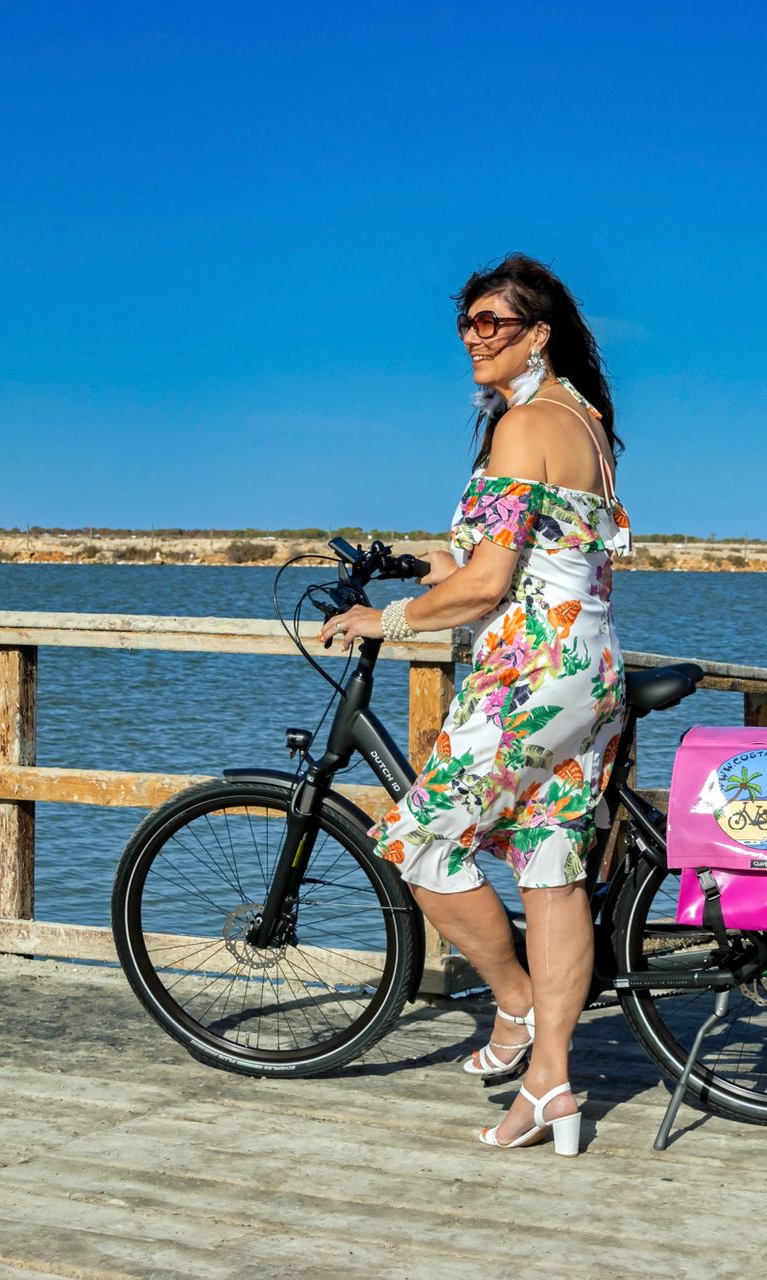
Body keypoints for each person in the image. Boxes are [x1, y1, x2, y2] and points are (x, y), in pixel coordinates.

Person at [316, 253, 630, 1157]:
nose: (473, 339)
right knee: (549, 863)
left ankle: (517, 1002)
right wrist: (426, 569)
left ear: (539, 332)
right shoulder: (586, 422)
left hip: (530, 674)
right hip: (588, 666)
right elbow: (534, 560)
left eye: (494, 323)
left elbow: (494, 581)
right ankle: (551, 1087)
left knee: (420, 841)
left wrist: (394, 617)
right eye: (466, 324)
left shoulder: (525, 423)